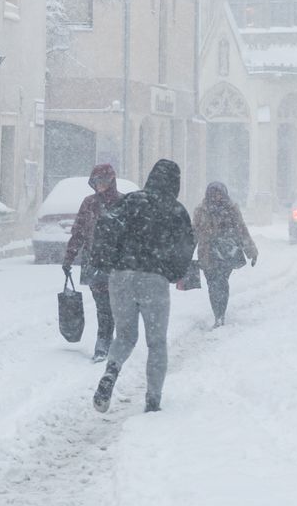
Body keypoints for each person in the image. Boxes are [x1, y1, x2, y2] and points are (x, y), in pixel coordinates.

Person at [90, 158, 194, 414]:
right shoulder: (176, 210)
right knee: (156, 342)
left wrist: (109, 262)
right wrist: (174, 273)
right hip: (153, 279)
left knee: (125, 336)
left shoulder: (130, 201)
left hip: (121, 276)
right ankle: (153, 399)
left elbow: (106, 227)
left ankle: (110, 373)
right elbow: (185, 247)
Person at [61, 163, 122, 361]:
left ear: (111, 181)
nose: (99, 186)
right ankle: (103, 341)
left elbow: (132, 235)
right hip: (94, 261)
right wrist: (69, 257)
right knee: (102, 304)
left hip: (116, 262)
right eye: (96, 182)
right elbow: (78, 233)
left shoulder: (123, 203)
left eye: (103, 181)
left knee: (113, 304)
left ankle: (108, 339)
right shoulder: (89, 203)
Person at [193, 181, 258, 327]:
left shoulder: (231, 209)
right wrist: (184, 255)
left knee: (221, 283)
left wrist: (251, 252)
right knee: (212, 285)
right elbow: (193, 234)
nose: (216, 197)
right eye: (213, 193)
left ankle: (220, 315)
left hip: (226, 254)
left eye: (219, 193)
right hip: (207, 254)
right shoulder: (200, 211)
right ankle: (218, 314)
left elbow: (241, 230)